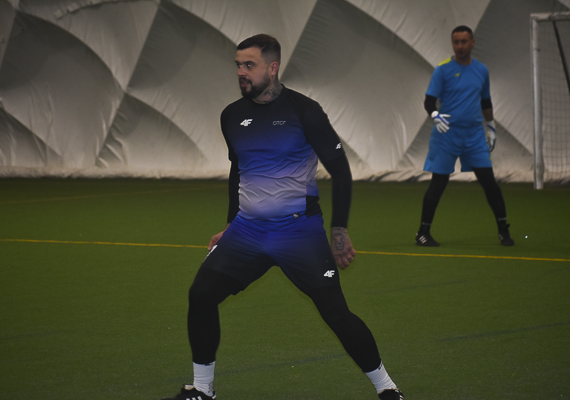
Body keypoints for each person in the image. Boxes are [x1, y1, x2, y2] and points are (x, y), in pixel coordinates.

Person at [162, 34, 404, 400]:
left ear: (272, 68)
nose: (241, 72)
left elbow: (340, 170)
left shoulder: (305, 111)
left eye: (250, 65)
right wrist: (230, 225)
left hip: (298, 232)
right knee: (201, 295)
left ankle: (387, 389)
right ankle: (203, 390)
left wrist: (339, 231)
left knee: (335, 313)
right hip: (247, 231)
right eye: (238, 65)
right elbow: (238, 171)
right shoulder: (231, 115)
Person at [415, 25, 514, 247]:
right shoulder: (442, 70)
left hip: (474, 136)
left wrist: (491, 126)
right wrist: (435, 115)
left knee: (489, 183)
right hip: (446, 135)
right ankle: (422, 233)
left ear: (472, 43)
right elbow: (429, 101)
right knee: (438, 183)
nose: (460, 46)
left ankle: (503, 231)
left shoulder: (482, 70)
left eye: (464, 42)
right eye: (456, 42)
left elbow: (485, 101)